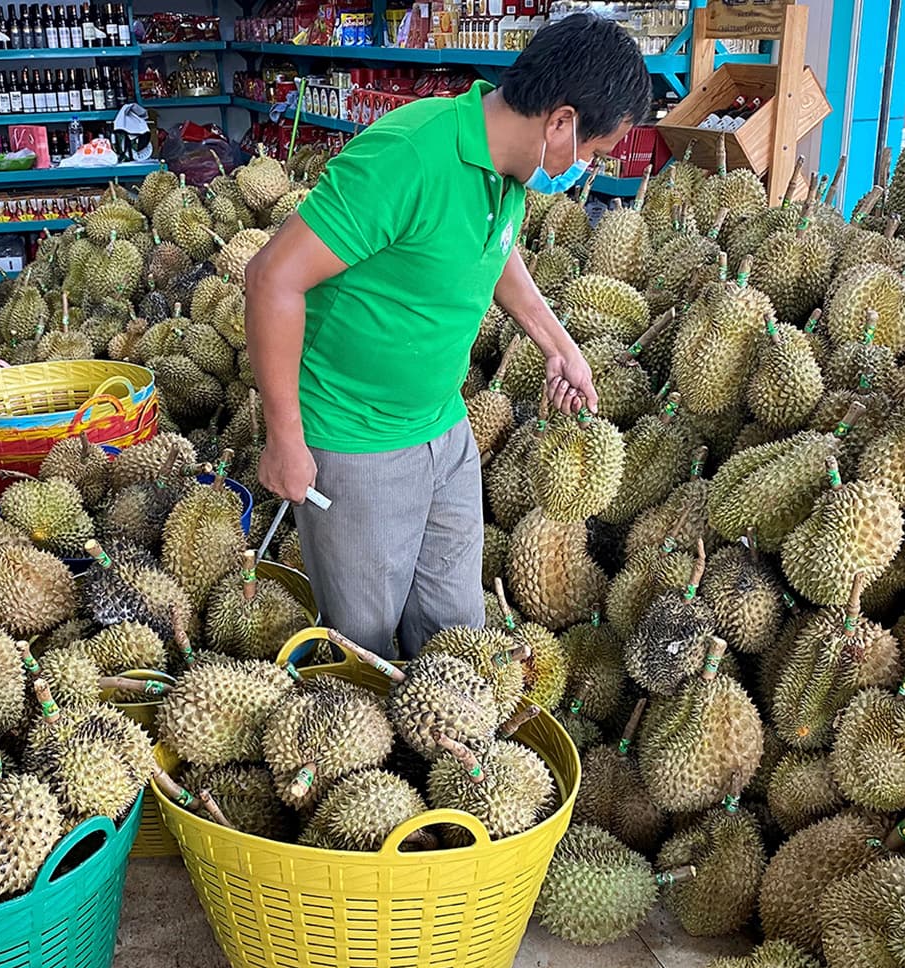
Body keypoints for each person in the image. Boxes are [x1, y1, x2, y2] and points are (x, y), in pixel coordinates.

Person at [245, 13, 651, 657]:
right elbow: (271, 279)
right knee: (366, 652)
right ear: (562, 122)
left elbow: (492, 251)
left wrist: (557, 343)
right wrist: (285, 439)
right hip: (355, 443)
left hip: (445, 432)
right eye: (594, 154)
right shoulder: (411, 156)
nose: (587, 170)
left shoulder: (508, 176)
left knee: (456, 639)